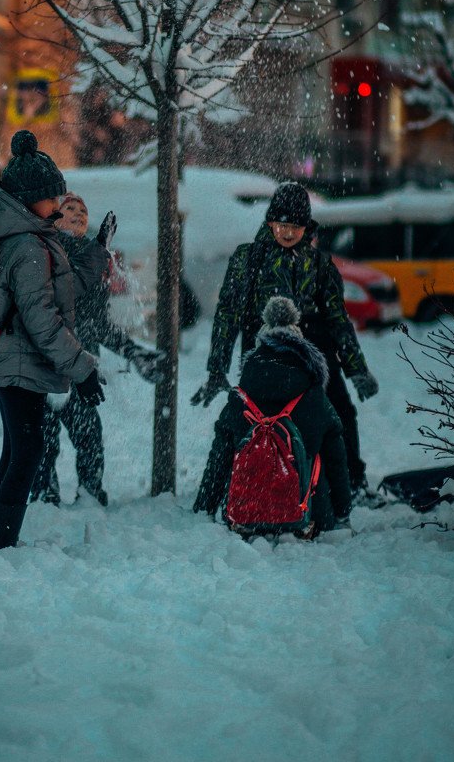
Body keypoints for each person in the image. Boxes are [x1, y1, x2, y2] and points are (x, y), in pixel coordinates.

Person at [191, 181, 380, 509]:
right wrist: (216, 369)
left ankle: (350, 482)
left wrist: (357, 369)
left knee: (338, 413)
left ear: (307, 227)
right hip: (264, 353)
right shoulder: (248, 258)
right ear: (269, 223)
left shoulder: (320, 264)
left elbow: (338, 321)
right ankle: (242, 479)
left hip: (313, 355)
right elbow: (227, 315)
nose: (288, 232)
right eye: (282, 225)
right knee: (250, 417)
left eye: (296, 226)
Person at [0, 130, 114, 551]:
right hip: (20, 362)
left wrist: (98, 250)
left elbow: (65, 293)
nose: (58, 205)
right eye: (52, 198)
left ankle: (0, 539)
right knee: (28, 452)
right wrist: (83, 368)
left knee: (17, 449)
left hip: (16, 360)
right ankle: (1, 545)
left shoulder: (29, 238)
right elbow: (44, 322)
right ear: (31, 198)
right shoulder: (27, 247)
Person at [31, 191, 165, 506]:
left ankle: (90, 495)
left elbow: (97, 324)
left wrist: (134, 352)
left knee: (89, 437)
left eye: (83, 210)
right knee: (43, 441)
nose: (78, 214)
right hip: (46, 365)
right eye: (70, 208)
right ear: (55, 214)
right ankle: (43, 498)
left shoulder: (94, 257)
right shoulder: (46, 250)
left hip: (81, 368)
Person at [197, 296, 353, 533]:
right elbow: (337, 461)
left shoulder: (242, 396)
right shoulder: (314, 397)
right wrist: (342, 513)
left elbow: (219, 458)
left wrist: (204, 507)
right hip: (308, 517)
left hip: (246, 514)